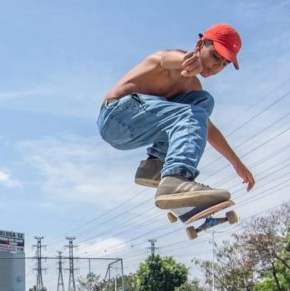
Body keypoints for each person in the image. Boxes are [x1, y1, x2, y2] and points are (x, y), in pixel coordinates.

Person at [97, 23, 255, 209]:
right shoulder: (167, 60)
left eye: (224, 64)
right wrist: (186, 61)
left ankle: (155, 166)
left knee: (203, 103)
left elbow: (205, 128)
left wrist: (237, 164)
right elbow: (165, 60)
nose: (217, 66)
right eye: (215, 56)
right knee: (194, 113)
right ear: (200, 45)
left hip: (135, 130)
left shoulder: (192, 88)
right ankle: (177, 178)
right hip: (115, 117)